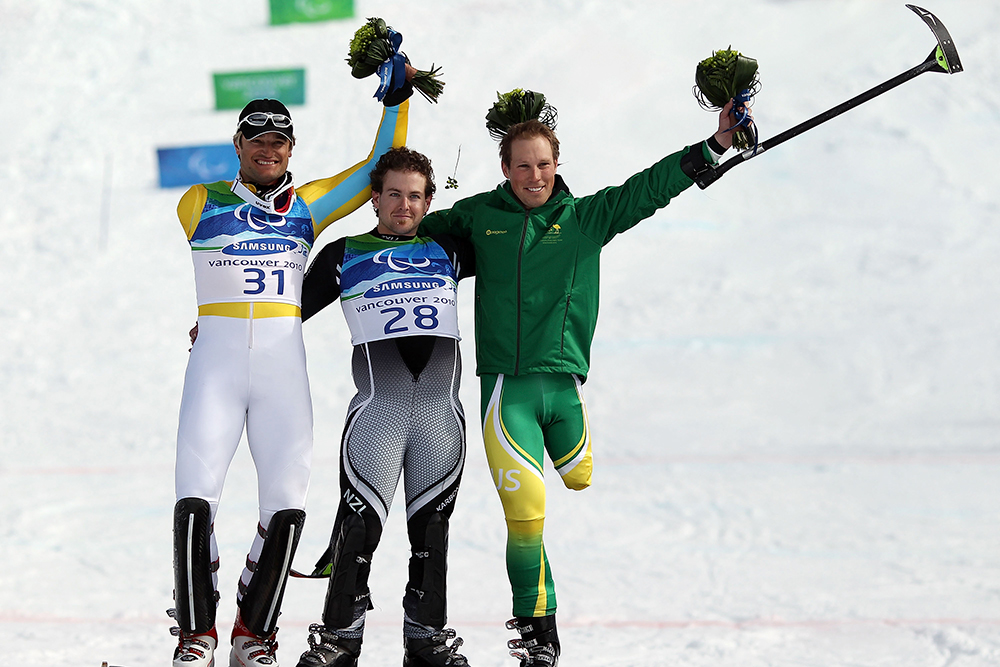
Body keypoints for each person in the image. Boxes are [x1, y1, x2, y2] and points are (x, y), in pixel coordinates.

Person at [418, 97, 746, 666]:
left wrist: (713, 147)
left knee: (579, 477)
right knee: (526, 518)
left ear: (557, 165)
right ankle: (538, 636)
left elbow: (647, 189)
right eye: (523, 165)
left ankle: (568, 461)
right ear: (504, 168)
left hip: (564, 389)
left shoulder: (584, 219)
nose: (534, 176)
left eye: (543, 164)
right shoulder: (478, 216)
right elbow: (411, 228)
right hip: (505, 395)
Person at [169, 81, 412, 667]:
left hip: (282, 373)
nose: (267, 149)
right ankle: (196, 634)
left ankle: (254, 634)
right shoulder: (199, 202)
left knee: (285, 509)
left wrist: (398, 100)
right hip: (216, 372)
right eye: (256, 139)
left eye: (278, 141)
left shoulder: (307, 207)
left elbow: (375, 171)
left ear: (291, 148)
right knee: (195, 503)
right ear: (238, 144)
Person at [293, 147, 475, 667]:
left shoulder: (450, 250)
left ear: (429, 202)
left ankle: (426, 640)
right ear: (375, 198)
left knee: (432, 532)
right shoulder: (344, 253)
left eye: (414, 196)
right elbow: (282, 313)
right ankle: (339, 639)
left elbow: (520, 233)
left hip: (440, 418)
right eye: (393, 194)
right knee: (358, 531)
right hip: (379, 416)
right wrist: (220, 327)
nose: (403, 205)